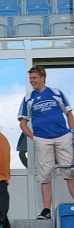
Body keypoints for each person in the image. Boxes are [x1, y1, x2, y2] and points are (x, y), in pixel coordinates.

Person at [18, 66, 74, 219]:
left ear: (43, 77)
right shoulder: (28, 98)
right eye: (30, 78)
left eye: (34, 78)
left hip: (62, 136)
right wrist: (34, 137)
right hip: (42, 139)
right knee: (45, 174)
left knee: (69, 171)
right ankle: (46, 210)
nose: (32, 81)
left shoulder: (56, 93)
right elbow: (22, 122)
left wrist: (72, 132)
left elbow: (69, 113)